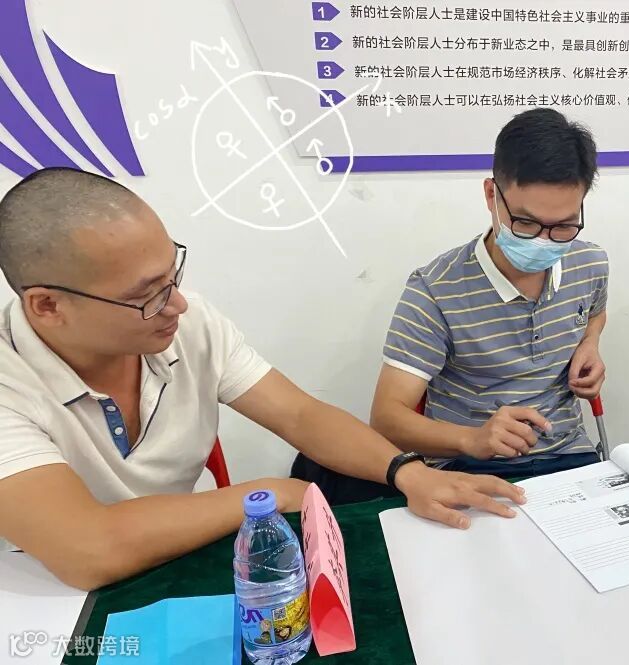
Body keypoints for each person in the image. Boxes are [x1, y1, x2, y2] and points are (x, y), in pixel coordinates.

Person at [0, 168, 525, 591]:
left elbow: (299, 414)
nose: (177, 303)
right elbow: (86, 550)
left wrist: (407, 472)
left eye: (173, 274)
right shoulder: (10, 383)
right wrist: (268, 493)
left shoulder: (188, 325)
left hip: (186, 553)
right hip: (47, 594)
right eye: (147, 294)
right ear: (48, 306)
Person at [292, 108, 609, 504]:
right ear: (491, 195)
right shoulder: (435, 291)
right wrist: (472, 439)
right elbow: (387, 417)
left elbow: (595, 311)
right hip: (469, 468)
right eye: (526, 224)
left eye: (563, 226)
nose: (544, 241)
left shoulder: (589, 264)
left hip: (569, 460)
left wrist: (590, 342)